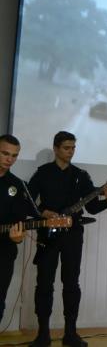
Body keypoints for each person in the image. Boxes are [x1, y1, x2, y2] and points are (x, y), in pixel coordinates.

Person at [28, 131, 107, 347]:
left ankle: (70, 333)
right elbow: (27, 200)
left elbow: (92, 207)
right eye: (67, 148)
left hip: (73, 236)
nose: (71, 152)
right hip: (47, 235)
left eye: (73, 148)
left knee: (71, 284)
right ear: (56, 148)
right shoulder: (43, 173)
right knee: (44, 284)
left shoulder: (81, 175)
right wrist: (42, 212)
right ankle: (43, 334)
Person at [0, 134, 28, 322]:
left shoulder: (18, 186)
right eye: (5, 153)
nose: (10, 159)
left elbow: (20, 226)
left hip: (3, 252)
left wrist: (18, 237)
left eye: (15, 155)